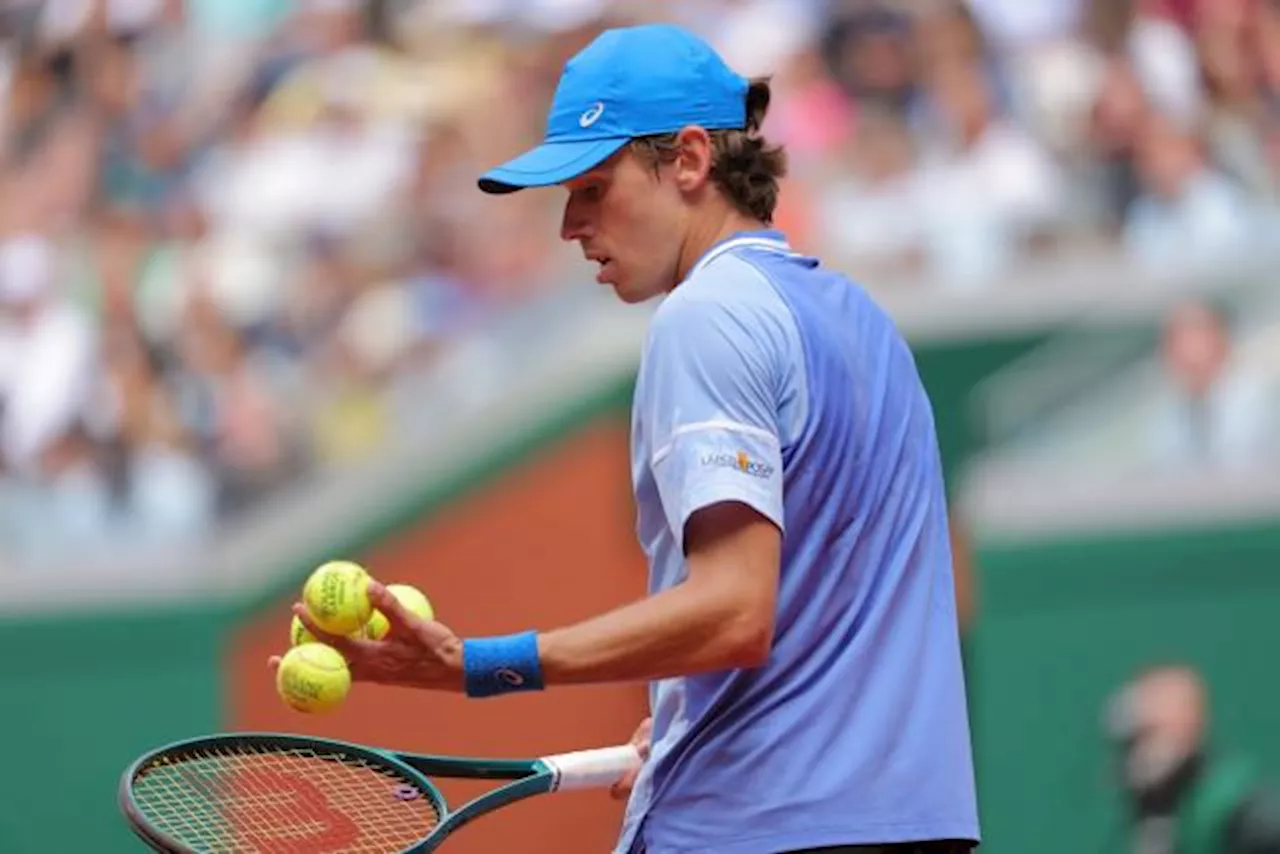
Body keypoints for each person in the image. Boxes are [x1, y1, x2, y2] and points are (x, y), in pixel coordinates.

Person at [278, 23, 980, 854]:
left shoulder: (705, 317)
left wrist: (481, 664)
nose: (571, 226)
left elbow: (735, 612)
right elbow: (814, 614)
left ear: (688, 160)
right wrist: (687, 723)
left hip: (750, 831)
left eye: (593, 188)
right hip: (907, 826)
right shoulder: (865, 325)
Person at [1105, 664, 1280, 854]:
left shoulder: (1246, 815)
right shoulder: (1162, 814)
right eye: (1128, 744)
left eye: (1147, 735)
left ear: (1187, 727)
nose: (1136, 757)